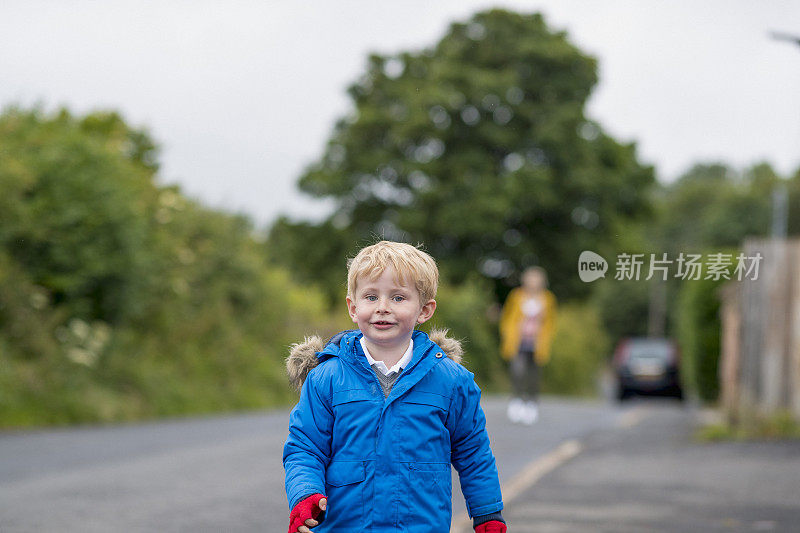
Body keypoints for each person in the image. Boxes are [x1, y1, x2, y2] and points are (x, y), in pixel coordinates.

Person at [283, 241, 506, 533]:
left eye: (398, 298)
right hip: (344, 526)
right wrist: (305, 494)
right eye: (371, 296)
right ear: (353, 307)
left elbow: (473, 452)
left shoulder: (451, 381)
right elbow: (305, 448)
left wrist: (488, 513)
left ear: (424, 310)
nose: (383, 308)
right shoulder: (326, 377)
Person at [498, 267, 557, 425]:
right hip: (518, 340)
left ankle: (531, 403)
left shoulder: (547, 298)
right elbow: (507, 316)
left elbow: (550, 322)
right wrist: (507, 333)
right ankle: (516, 400)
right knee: (517, 370)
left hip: (537, 343)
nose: (533, 282)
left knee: (534, 374)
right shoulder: (516, 296)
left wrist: (546, 338)